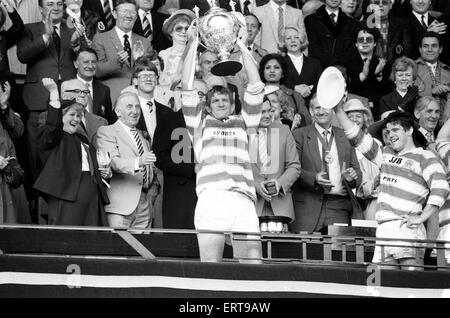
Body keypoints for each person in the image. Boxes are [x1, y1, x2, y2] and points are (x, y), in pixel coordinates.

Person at [180, 22, 264, 263]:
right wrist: (193, 42)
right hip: (212, 198)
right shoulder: (199, 124)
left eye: (224, 98)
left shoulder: (244, 122)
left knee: (253, 268)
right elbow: (186, 85)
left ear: (233, 103)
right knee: (211, 267)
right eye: (214, 99)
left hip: (242, 199)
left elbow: (256, 85)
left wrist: (240, 43)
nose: (220, 102)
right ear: (206, 106)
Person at [334, 106, 449, 270]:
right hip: (383, 230)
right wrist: (338, 109)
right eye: (387, 131)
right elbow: (357, 137)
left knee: (410, 287)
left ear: (409, 130)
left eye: (395, 130)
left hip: (408, 230)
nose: (390, 135)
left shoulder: (424, 156)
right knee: (378, 287)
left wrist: (422, 217)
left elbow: (442, 187)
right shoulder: (386, 154)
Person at [34, 78, 110, 226]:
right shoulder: (53, 137)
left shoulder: (82, 139)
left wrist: (104, 173)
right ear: (60, 117)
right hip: (67, 198)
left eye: (79, 115)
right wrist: (54, 94)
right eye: (71, 115)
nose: (76, 119)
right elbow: (53, 125)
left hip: (92, 201)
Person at [291, 94, 363, 233]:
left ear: (332, 110)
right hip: (307, 204)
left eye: (325, 107)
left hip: (338, 205)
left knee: (336, 252)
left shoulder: (345, 135)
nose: (321, 111)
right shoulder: (299, 135)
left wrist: (351, 178)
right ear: (311, 111)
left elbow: (357, 171)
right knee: (307, 251)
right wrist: (314, 178)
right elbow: (293, 168)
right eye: (317, 108)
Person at [96, 91, 157, 228]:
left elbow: (151, 169)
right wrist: (138, 162)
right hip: (120, 207)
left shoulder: (143, 136)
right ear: (118, 112)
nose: (135, 111)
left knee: (142, 249)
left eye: (137, 107)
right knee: (117, 248)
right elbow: (112, 162)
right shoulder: (107, 131)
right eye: (129, 107)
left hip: (144, 207)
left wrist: (152, 194)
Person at [250, 93, 301, 229]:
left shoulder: (284, 131)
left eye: (269, 111)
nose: (267, 115)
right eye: (262, 112)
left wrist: (279, 183)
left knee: (280, 250)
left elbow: (294, 166)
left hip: (281, 207)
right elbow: (236, 170)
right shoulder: (242, 133)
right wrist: (256, 185)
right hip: (250, 206)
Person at [91, 0, 151, 105]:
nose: (128, 15)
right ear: (114, 14)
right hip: (113, 98)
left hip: (141, 99)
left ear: (136, 16)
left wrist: (139, 60)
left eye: (132, 12)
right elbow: (97, 71)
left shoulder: (144, 42)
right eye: (124, 11)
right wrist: (116, 62)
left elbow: (151, 71)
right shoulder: (100, 38)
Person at [343, 99, 380, 220]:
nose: (354, 119)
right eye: (350, 116)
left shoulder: (374, 144)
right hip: (346, 201)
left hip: (369, 202)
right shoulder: (338, 143)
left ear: (364, 119)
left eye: (358, 116)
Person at [0, 81, 29, 224]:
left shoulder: (5, 109)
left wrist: (4, 105)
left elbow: (18, 131)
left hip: (10, 173)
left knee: (13, 227)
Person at [259, 53, 311, 127]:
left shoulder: (294, 95)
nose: (272, 70)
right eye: (268, 68)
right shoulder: (257, 94)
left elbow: (308, 119)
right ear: (263, 73)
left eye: (276, 67)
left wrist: (298, 118)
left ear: (283, 73)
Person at [304, 0, 360, 68]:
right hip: (319, 70)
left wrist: (340, 65)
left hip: (343, 70)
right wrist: (332, 64)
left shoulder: (352, 23)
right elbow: (313, 49)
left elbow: (351, 50)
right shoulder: (311, 20)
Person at [157, 9, 196, 106]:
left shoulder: (195, 53)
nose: (183, 31)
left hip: (192, 98)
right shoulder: (163, 54)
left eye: (187, 28)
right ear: (170, 31)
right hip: (169, 99)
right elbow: (162, 81)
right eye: (179, 28)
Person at [415, 32, 450, 122]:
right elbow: (405, 95)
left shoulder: (448, 71)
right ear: (420, 49)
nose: (429, 49)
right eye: (425, 46)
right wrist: (431, 92)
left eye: (434, 46)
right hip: (421, 122)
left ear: (440, 49)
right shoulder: (411, 68)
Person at [74, 47, 114, 123]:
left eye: (93, 62)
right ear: (76, 64)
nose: (90, 66)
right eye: (86, 62)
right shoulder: (65, 87)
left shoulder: (104, 90)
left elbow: (108, 120)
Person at [282, 25, 322, 102]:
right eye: (288, 38)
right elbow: (276, 85)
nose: (293, 41)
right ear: (284, 42)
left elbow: (321, 84)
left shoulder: (315, 63)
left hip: (312, 106)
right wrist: (294, 88)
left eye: (296, 37)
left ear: (302, 40)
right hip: (288, 105)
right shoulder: (279, 62)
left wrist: (309, 89)